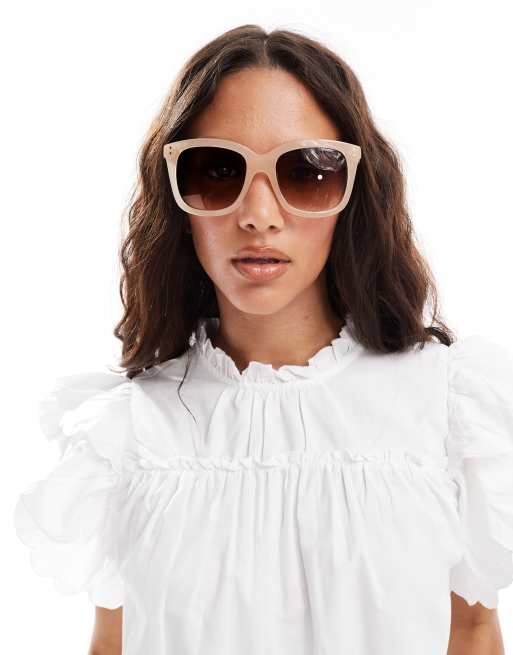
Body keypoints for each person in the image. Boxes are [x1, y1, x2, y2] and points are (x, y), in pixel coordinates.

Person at [13, 23, 512, 655]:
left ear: (353, 196)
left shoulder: (447, 407)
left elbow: (471, 632)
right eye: (217, 171)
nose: (259, 215)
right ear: (176, 198)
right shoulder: (127, 436)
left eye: (306, 173)